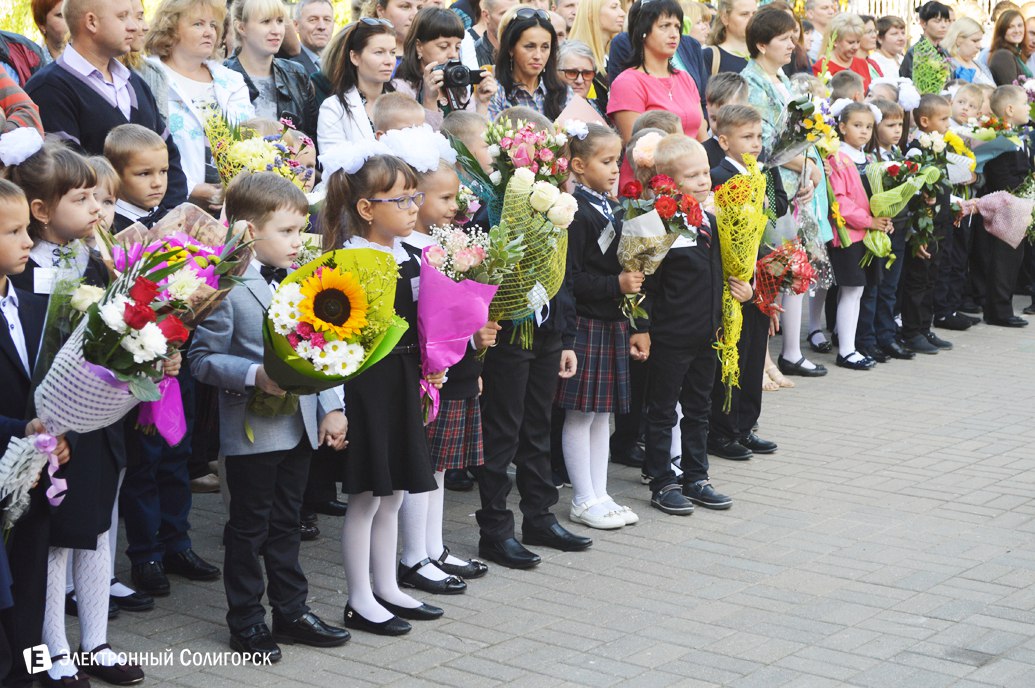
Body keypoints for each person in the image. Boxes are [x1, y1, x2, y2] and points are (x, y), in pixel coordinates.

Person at [190, 172, 350, 662]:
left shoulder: (308, 282)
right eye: (285, 231)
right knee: (249, 527)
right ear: (247, 230)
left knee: (287, 522)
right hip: (253, 432)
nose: (296, 242)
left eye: (301, 230)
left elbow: (328, 349)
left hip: (300, 424)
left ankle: (291, 610)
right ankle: (246, 620)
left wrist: (333, 406)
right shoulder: (228, 287)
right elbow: (201, 358)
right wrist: (254, 373)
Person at [7, 142, 146, 688]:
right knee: (53, 541)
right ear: (41, 211)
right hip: (42, 429)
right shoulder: (18, 272)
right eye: (83, 197)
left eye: (100, 198)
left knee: (95, 532)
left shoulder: (97, 259)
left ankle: (97, 642)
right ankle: (52, 652)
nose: (98, 209)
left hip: (96, 421)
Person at [317, 151, 445, 633]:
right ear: (367, 209)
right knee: (368, 494)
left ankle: (387, 585)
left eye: (416, 196)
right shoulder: (351, 259)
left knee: (392, 494)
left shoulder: (407, 252)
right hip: (367, 382)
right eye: (401, 199)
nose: (414, 207)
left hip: (402, 375)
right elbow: (341, 337)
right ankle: (359, 598)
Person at [638, 134, 749, 516]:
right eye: (692, 176)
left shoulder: (714, 221)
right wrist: (642, 327)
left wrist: (743, 290)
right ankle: (661, 480)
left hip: (708, 333)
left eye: (706, 172)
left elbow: (723, 272)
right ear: (668, 181)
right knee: (663, 410)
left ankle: (696, 476)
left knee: (699, 407)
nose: (704, 181)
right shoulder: (658, 224)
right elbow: (645, 283)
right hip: (670, 335)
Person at [25, 0, 189, 213]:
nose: (134, 26)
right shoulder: (49, 90)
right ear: (91, 22)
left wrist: (168, 222)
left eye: (133, 16)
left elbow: (169, 156)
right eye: (122, 17)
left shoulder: (136, 84)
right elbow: (67, 179)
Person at [0, 178, 68, 688]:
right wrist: (19, 430)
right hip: (6, 459)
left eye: (27, 227)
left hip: (35, 474)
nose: (29, 241)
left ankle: (31, 671)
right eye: (14, 231)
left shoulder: (28, 302)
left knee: (30, 580)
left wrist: (62, 432)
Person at [557, 123, 640, 530]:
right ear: (577, 165)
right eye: (605, 161)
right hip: (586, 322)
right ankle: (582, 497)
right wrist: (616, 284)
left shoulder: (611, 206)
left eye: (617, 161)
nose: (614, 169)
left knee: (601, 415)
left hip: (611, 321)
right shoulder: (576, 213)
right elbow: (569, 278)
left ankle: (601, 492)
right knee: (580, 415)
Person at [742, 6, 830, 378]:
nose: (793, 44)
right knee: (773, 270)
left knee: (795, 269)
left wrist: (810, 169)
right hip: (774, 188)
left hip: (796, 187)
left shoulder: (780, 77)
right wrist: (804, 166)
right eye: (784, 38)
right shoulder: (752, 81)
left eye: (794, 37)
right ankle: (767, 359)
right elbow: (764, 142)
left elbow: (799, 134)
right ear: (762, 43)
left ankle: (791, 351)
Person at [707, 104, 785, 459]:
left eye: (758, 136)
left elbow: (774, 211)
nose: (755, 143)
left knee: (754, 355)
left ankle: (746, 424)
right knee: (732, 357)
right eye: (746, 137)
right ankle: (723, 431)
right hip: (734, 281)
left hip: (759, 277)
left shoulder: (762, 173)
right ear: (724, 140)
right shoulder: (720, 177)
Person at [146, 0, 254, 214]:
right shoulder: (150, 76)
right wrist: (191, 189)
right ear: (170, 28)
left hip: (232, 208)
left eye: (213, 25)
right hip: (169, 208)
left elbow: (252, 141)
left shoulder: (232, 81)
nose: (209, 32)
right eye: (198, 24)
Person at [825, 101, 889, 370]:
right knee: (851, 290)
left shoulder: (871, 159)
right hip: (849, 234)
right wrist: (870, 220)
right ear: (841, 127)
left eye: (868, 127)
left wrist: (885, 219)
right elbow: (840, 202)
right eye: (857, 125)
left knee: (857, 291)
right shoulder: (838, 158)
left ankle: (847, 341)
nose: (864, 131)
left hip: (867, 234)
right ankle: (847, 350)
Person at [858, 97, 916, 362]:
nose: (897, 130)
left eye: (900, 124)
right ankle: (867, 339)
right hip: (876, 229)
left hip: (898, 227)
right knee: (873, 287)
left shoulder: (898, 154)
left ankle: (886, 335)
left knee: (890, 287)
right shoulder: (868, 158)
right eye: (890, 124)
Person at [900, 94, 957, 355]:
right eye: (943, 119)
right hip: (924, 228)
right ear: (924, 121)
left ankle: (925, 327)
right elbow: (914, 194)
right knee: (917, 281)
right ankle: (912, 332)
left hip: (939, 225)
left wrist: (953, 206)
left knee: (931, 279)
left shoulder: (938, 147)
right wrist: (917, 232)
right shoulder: (916, 150)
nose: (948, 123)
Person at [608, 0, 706, 144]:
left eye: (677, 26)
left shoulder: (685, 78)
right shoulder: (627, 83)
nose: (674, 34)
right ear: (643, 32)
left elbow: (702, 137)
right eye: (664, 26)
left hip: (694, 164)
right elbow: (637, 148)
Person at [224, 0, 318, 141]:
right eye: (266, 21)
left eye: (280, 21)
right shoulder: (222, 77)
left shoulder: (297, 75)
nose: (276, 30)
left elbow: (310, 141)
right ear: (241, 27)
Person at [392, 7, 497, 130]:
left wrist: (482, 103)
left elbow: (472, 137)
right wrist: (429, 100)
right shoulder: (402, 89)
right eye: (443, 46)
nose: (453, 54)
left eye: (457, 47)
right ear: (419, 46)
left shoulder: (457, 83)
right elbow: (422, 143)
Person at [980, 85, 1032, 327]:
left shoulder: (1019, 133)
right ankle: (998, 310)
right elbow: (1001, 174)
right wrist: (1023, 194)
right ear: (1010, 109)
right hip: (1006, 205)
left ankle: (1003, 306)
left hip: (1020, 204)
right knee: (1003, 259)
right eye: (1024, 103)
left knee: (1014, 258)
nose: (1028, 107)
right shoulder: (997, 137)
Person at [318, 19, 396, 148]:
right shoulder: (334, 108)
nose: (389, 61)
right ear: (355, 57)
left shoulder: (403, 101)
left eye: (392, 52)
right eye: (379, 52)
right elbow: (335, 163)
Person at [487, 7, 573, 120]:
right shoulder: (496, 91)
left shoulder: (562, 91)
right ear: (511, 49)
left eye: (545, 47)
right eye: (529, 46)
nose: (538, 56)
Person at [567, 0, 625, 113]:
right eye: (614, 7)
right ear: (591, 13)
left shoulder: (614, 58)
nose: (622, 13)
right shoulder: (574, 60)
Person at [813, 14, 872, 93]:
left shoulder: (862, 64)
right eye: (850, 42)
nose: (856, 47)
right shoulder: (822, 66)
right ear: (835, 41)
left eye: (858, 42)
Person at [899, 2, 952, 82]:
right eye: (937, 21)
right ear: (923, 23)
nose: (944, 25)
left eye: (947, 21)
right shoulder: (915, 52)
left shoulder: (944, 51)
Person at [703, 0, 756, 76]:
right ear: (725, 18)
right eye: (744, 14)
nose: (752, 19)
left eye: (755, 14)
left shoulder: (764, 54)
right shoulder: (709, 56)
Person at [557, 40, 604, 116]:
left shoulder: (601, 109)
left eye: (587, 74)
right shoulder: (544, 109)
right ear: (556, 73)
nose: (580, 80)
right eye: (572, 73)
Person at [367, 0, 422, 64]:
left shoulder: (429, 53)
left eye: (420, 8)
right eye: (405, 7)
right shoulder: (362, 51)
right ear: (381, 11)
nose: (416, 15)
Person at [944, 17, 996, 85]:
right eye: (974, 41)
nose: (979, 46)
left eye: (979, 41)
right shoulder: (948, 67)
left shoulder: (980, 65)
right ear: (958, 40)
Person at [291, 0, 335, 76]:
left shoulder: (343, 62)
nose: (322, 26)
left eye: (327, 20)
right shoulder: (288, 66)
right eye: (313, 20)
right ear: (296, 25)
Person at [989, 9, 1033, 84]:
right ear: (1002, 30)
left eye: (1020, 25)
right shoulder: (1002, 55)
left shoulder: (1015, 53)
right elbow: (1011, 90)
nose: (1017, 30)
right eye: (1011, 27)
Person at [474, 0, 518, 67]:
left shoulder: (527, 51)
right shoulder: (472, 56)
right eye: (505, 14)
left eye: (516, 13)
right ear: (486, 16)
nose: (512, 19)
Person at [870, 15, 906, 80]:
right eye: (894, 34)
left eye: (903, 33)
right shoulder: (874, 62)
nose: (901, 38)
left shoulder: (903, 59)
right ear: (880, 38)